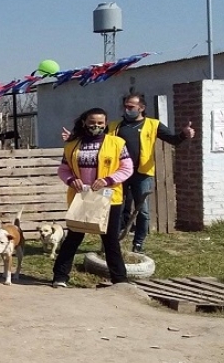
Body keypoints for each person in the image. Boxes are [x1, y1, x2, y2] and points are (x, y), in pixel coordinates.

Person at [52, 107, 134, 288]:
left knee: (110, 240)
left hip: (109, 199)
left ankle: (120, 280)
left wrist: (107, 180)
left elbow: (127, 168)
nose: (95, 126)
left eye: (100, 123)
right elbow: (63, 169)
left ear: (105, 124)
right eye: (92, 123)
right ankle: (60, 277)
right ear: (84, 123)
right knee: (74, 237)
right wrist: (71, 180)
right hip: (81, 197)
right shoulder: (72, 145)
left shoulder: (117, 143)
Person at [107, 94, 194, 253]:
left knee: (142, 209)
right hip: (119, 173)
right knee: (117, 207)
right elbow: (97, 140)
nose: (127, 109)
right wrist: (73, 138)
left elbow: (173, 140)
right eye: (125, 106)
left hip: (142, 173)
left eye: (131, 107)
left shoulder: (153, 124)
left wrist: (184, 134)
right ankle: (114, 240)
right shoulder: (115, 126)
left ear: (141, 108)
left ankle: (138, 242)